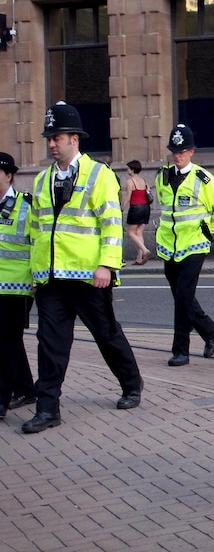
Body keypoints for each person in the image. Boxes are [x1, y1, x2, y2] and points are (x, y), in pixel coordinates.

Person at [24, 102, 143, 433]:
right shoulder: (41, 180)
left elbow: (110, 223)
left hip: (90, 277)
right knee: (50, 342)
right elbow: (37, 231)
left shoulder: (98, 175)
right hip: (51, 278)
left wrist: (107, 264)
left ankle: (131, 384)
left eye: (57, 137)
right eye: (49, 138)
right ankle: (48, 409)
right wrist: (35, 275)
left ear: (74, 139)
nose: (51, 143)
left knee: (106, 334)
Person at [155, 123, 214, 367]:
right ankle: (210, 330)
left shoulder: (203, 179)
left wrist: (206, 233)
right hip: (168, 246)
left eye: (183, 150)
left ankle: (180, 350)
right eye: (175, 150)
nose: (178, 154)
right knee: (181, 297)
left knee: (184, 296)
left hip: (194, 246)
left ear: (192, 151)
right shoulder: (162, 176)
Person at [0, 152, 36, 420]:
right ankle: (25, 388)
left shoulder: (26, 206)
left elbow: (39, 243)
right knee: (10, 341)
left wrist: (37, 279)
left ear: (9, 175)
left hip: (17, 287)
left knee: (5, 343)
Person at [121, 160, 152, 265]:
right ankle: (139, 259)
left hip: (136, 208)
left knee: (130, 232)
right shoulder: (144, 181)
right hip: (146, 208)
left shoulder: (130, 182)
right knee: (139, 232)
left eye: (128, 168)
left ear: (132, 170)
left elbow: (128, 197)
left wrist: (121, 208)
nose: (127, 170)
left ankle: (145, 250)